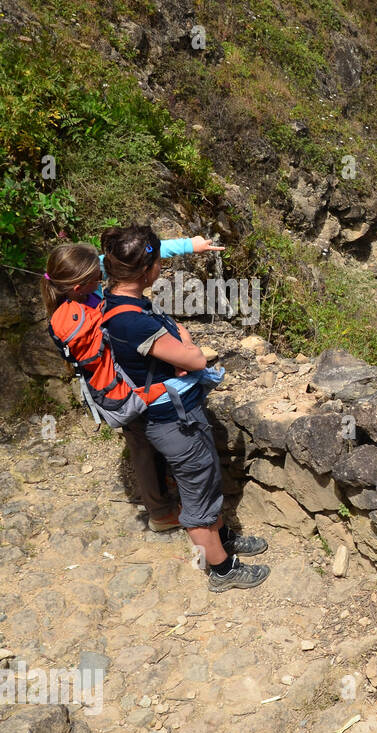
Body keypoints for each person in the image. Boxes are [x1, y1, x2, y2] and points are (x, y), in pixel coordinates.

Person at [99, 224, 271, 591]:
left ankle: (221, 538)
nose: (161, 266)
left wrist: (174, 338)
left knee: (206, 483)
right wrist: (183, 339)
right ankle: (222, 570)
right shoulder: (132, 321)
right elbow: (194, 358)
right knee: (196, 494)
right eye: (158, 261)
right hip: (174, 422)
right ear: (146, 270)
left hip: (173, 416)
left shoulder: (113, 296)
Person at [41, 235, 224, 532]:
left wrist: (190, 244)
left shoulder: (80, 283)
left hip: (123, 383)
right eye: (98, 275)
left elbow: (133, 255)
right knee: (142, 444)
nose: (105, 274)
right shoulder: (77, 318)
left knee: (144, 444)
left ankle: (164, 499)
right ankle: (162, 513)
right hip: (124, 389)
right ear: (79, 286)